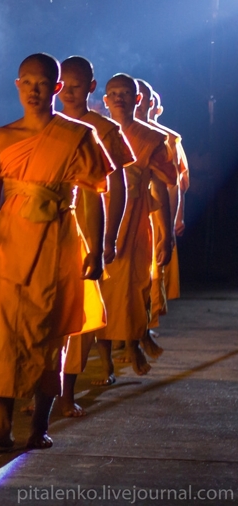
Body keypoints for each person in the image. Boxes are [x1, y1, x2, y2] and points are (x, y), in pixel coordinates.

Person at [0, 53, 111, 450]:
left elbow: (98, 194)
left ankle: (39, 428)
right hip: (9, 241)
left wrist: (98, 250)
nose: (34, 89)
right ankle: (2, 425)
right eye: (26, 81)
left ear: (57, 88)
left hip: (56, 239)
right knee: (4, 330)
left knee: (48, 331)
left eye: (43, 82)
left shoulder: (77, 135)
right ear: (16, 85)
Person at [57, 56, 135, 416]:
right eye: (64, 85)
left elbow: (116, 187)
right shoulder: (47, 126)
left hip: (89, 227)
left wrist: (109, 238)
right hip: (49, 229)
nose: (69, 93)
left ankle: (66, 391)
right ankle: (41, 387)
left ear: (91, 87)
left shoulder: (102, 130)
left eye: (77, 86)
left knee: (80, 312)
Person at [93, 74, 175, 384]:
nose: (118, 98)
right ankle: (106, 367)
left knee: (134, 288)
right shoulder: (97, 133)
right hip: (102, 220)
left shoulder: (151, 139)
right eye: (112, 93)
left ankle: (135, 339)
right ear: (105, 100)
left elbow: (161, 187)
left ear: (136, 99)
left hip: (137, 222)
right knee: (102, 291)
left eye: (125, 93)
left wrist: (166, 233)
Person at [135, 79, 183, 355]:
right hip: (123, 214)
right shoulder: (112, 133)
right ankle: (124, 334)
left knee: (149, 275)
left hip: (152, 212)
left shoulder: (162, 139)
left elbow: (171, 184)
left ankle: (143, 329)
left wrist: (173, 221)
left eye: (142, 98)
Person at [148, 88, 189, 305]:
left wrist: (177, 217)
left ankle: (147, 323)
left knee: (157, 263)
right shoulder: (121, 133)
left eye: (150, 102)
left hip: (159, 208)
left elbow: (175, 183)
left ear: (158, 109)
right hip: (135, 208)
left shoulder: (168, 139)